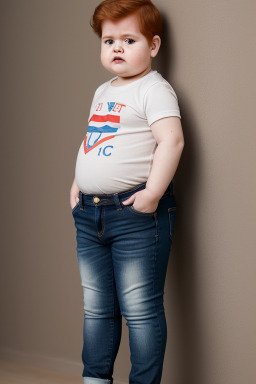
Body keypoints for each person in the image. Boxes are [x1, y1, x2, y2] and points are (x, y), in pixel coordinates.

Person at [70, 0, 184, 383]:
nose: (116, 48)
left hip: (134, 215)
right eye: (108, 41)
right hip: (89, 214)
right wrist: (78, 184)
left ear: (153, 46)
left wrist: (151, 195)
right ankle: (95, 378)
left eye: (128, 39)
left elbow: (172, 140)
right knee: (96, 308)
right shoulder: (103, 91)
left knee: (140, 308)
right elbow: (94, 140)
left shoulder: (154, 89)